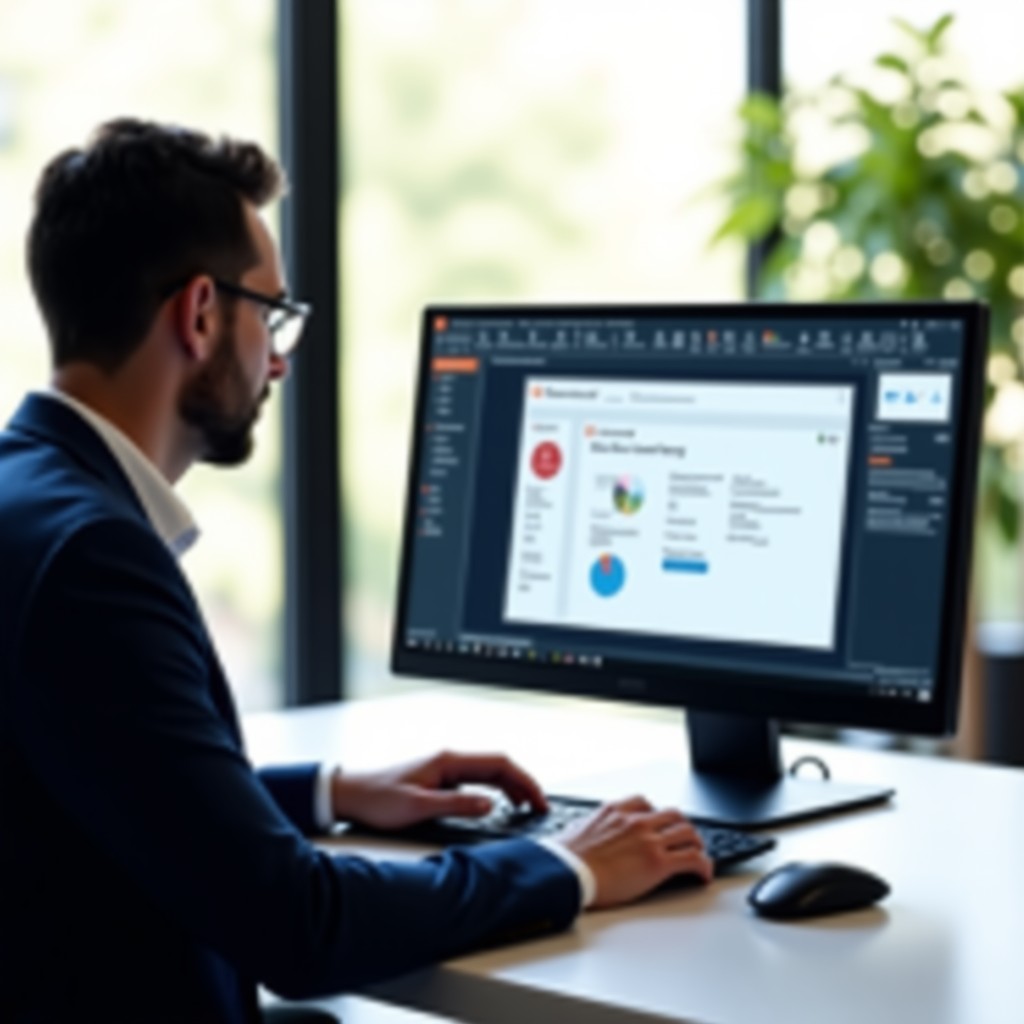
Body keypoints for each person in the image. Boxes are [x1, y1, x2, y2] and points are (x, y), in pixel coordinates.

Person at [0, 119, 712, 1023]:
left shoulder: (28, 499)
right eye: (272, 313)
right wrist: (568, 865)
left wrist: (333, 795)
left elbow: (117, 788)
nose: (279, 359)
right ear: (201, 313)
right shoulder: (92, 559)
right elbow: (300, 926)